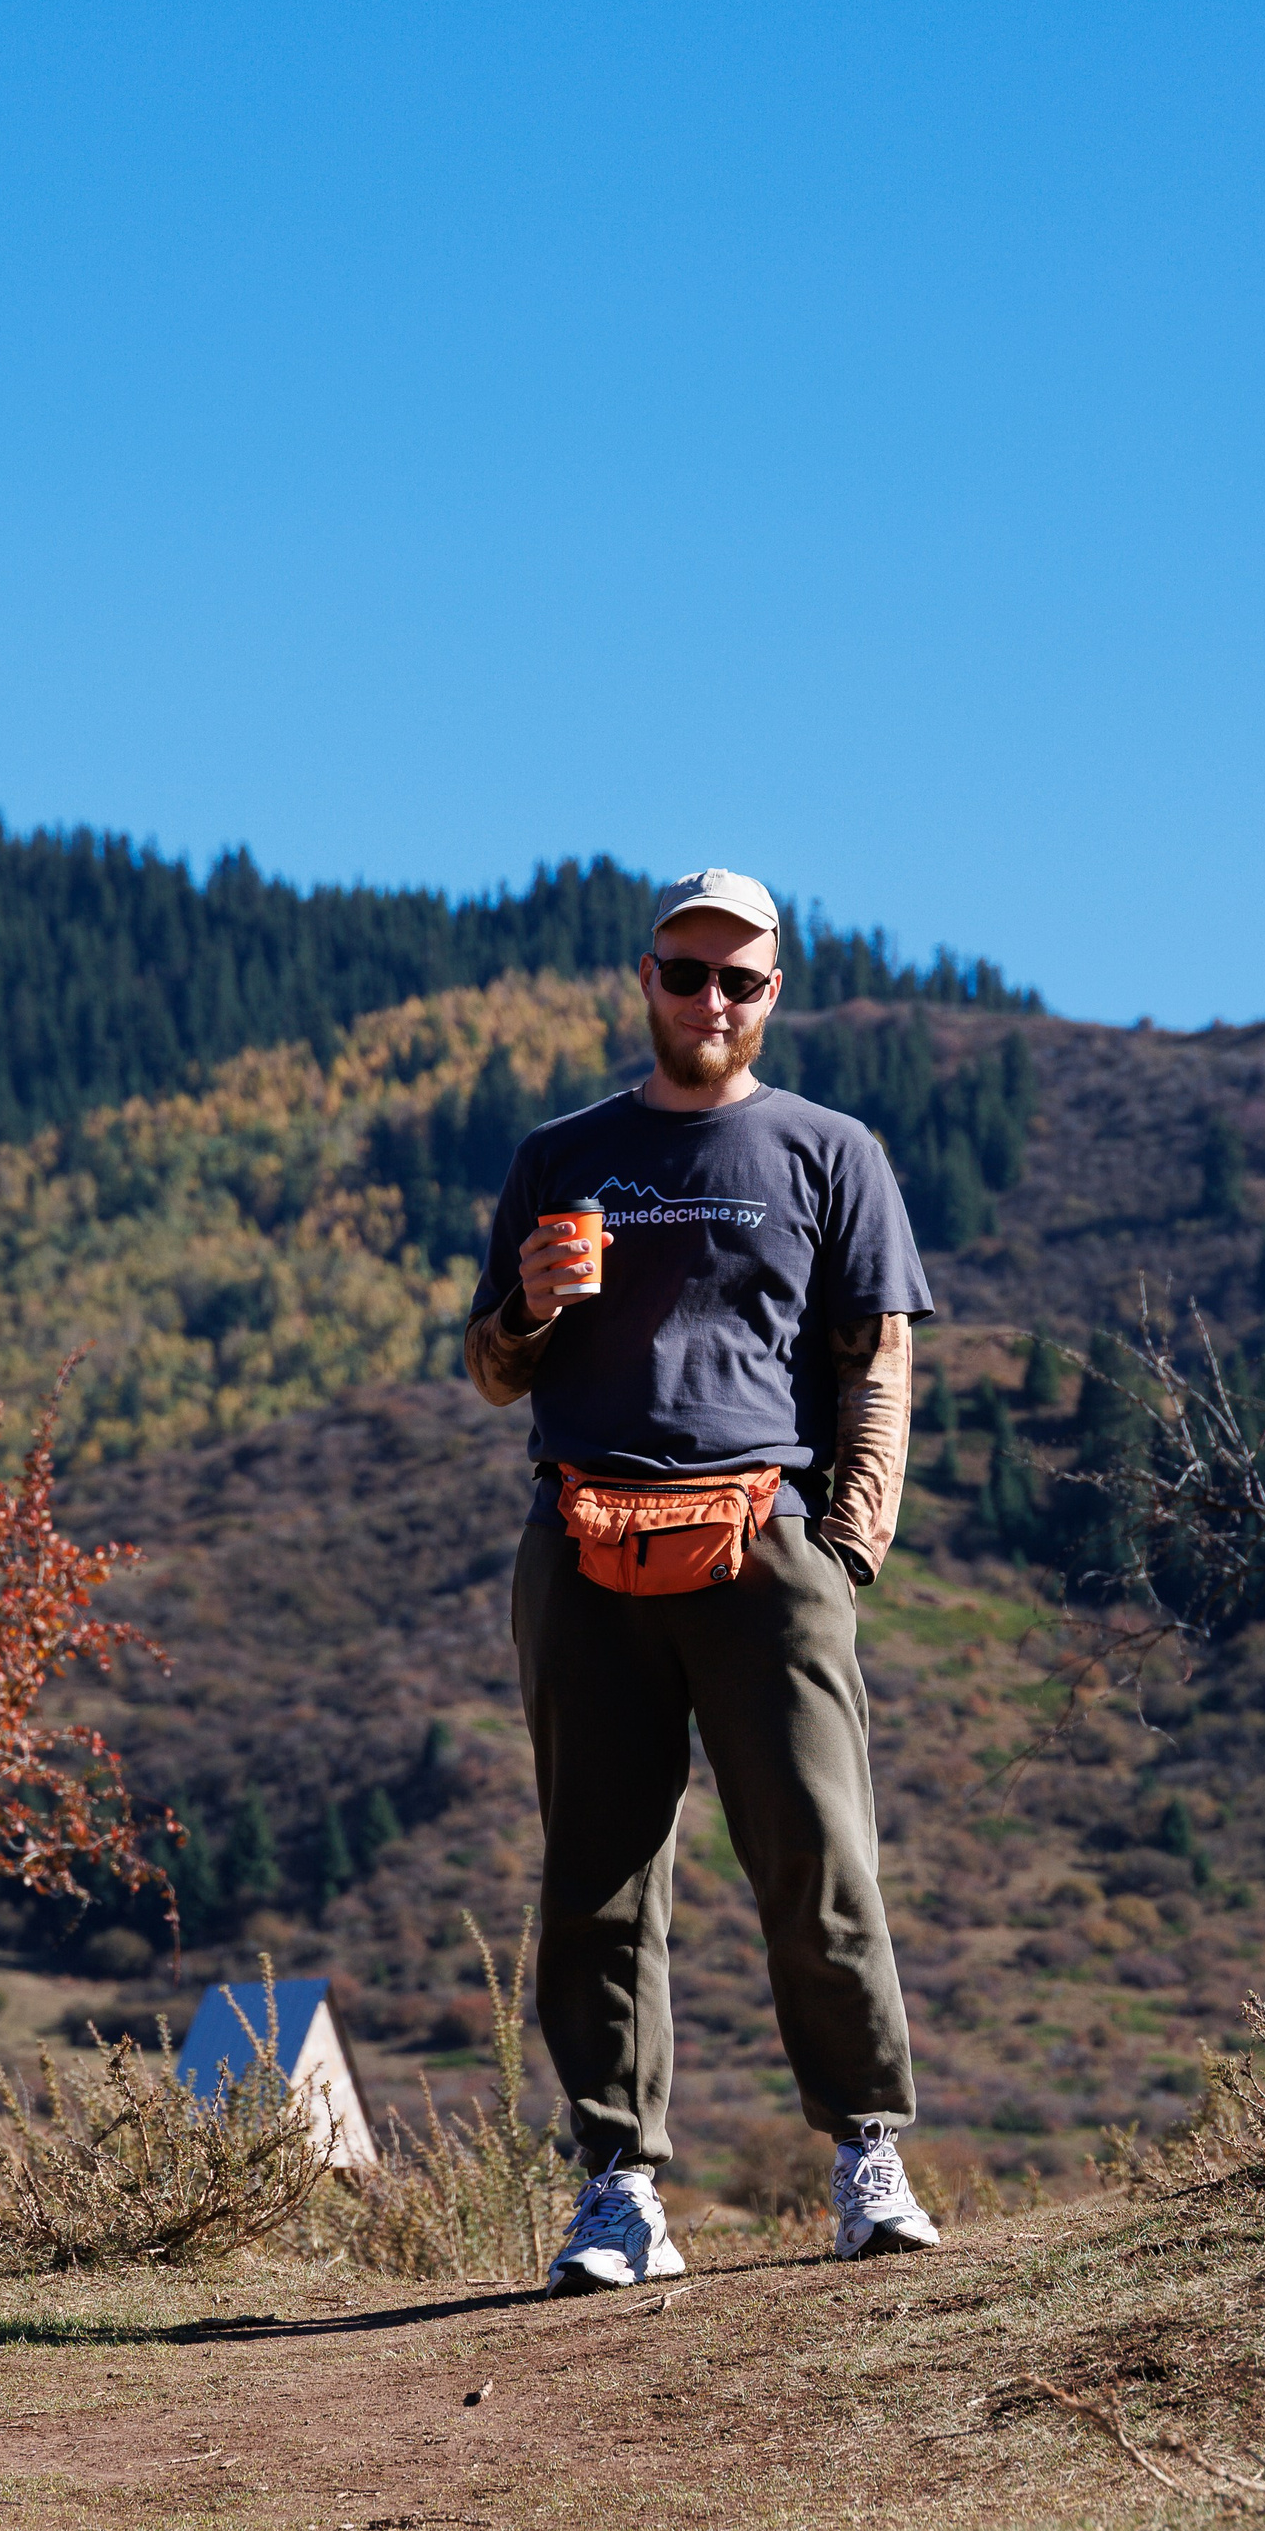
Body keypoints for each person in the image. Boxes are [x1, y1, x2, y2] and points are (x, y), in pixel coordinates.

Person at [464, 865, 941, 2292]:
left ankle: (867, 2158)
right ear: (648, 980)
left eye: (739, 979)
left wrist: (846, 1546)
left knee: (817, 1853)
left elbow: (876, 1364)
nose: (711, 999)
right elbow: (490, 1371)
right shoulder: (561, 1154)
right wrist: (532, 1306)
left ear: (772, 993)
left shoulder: (830, 1151)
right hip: (582, 1539)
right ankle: (618, 2190)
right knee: (596, 1877)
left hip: (765, 1538)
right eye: (687, 973)